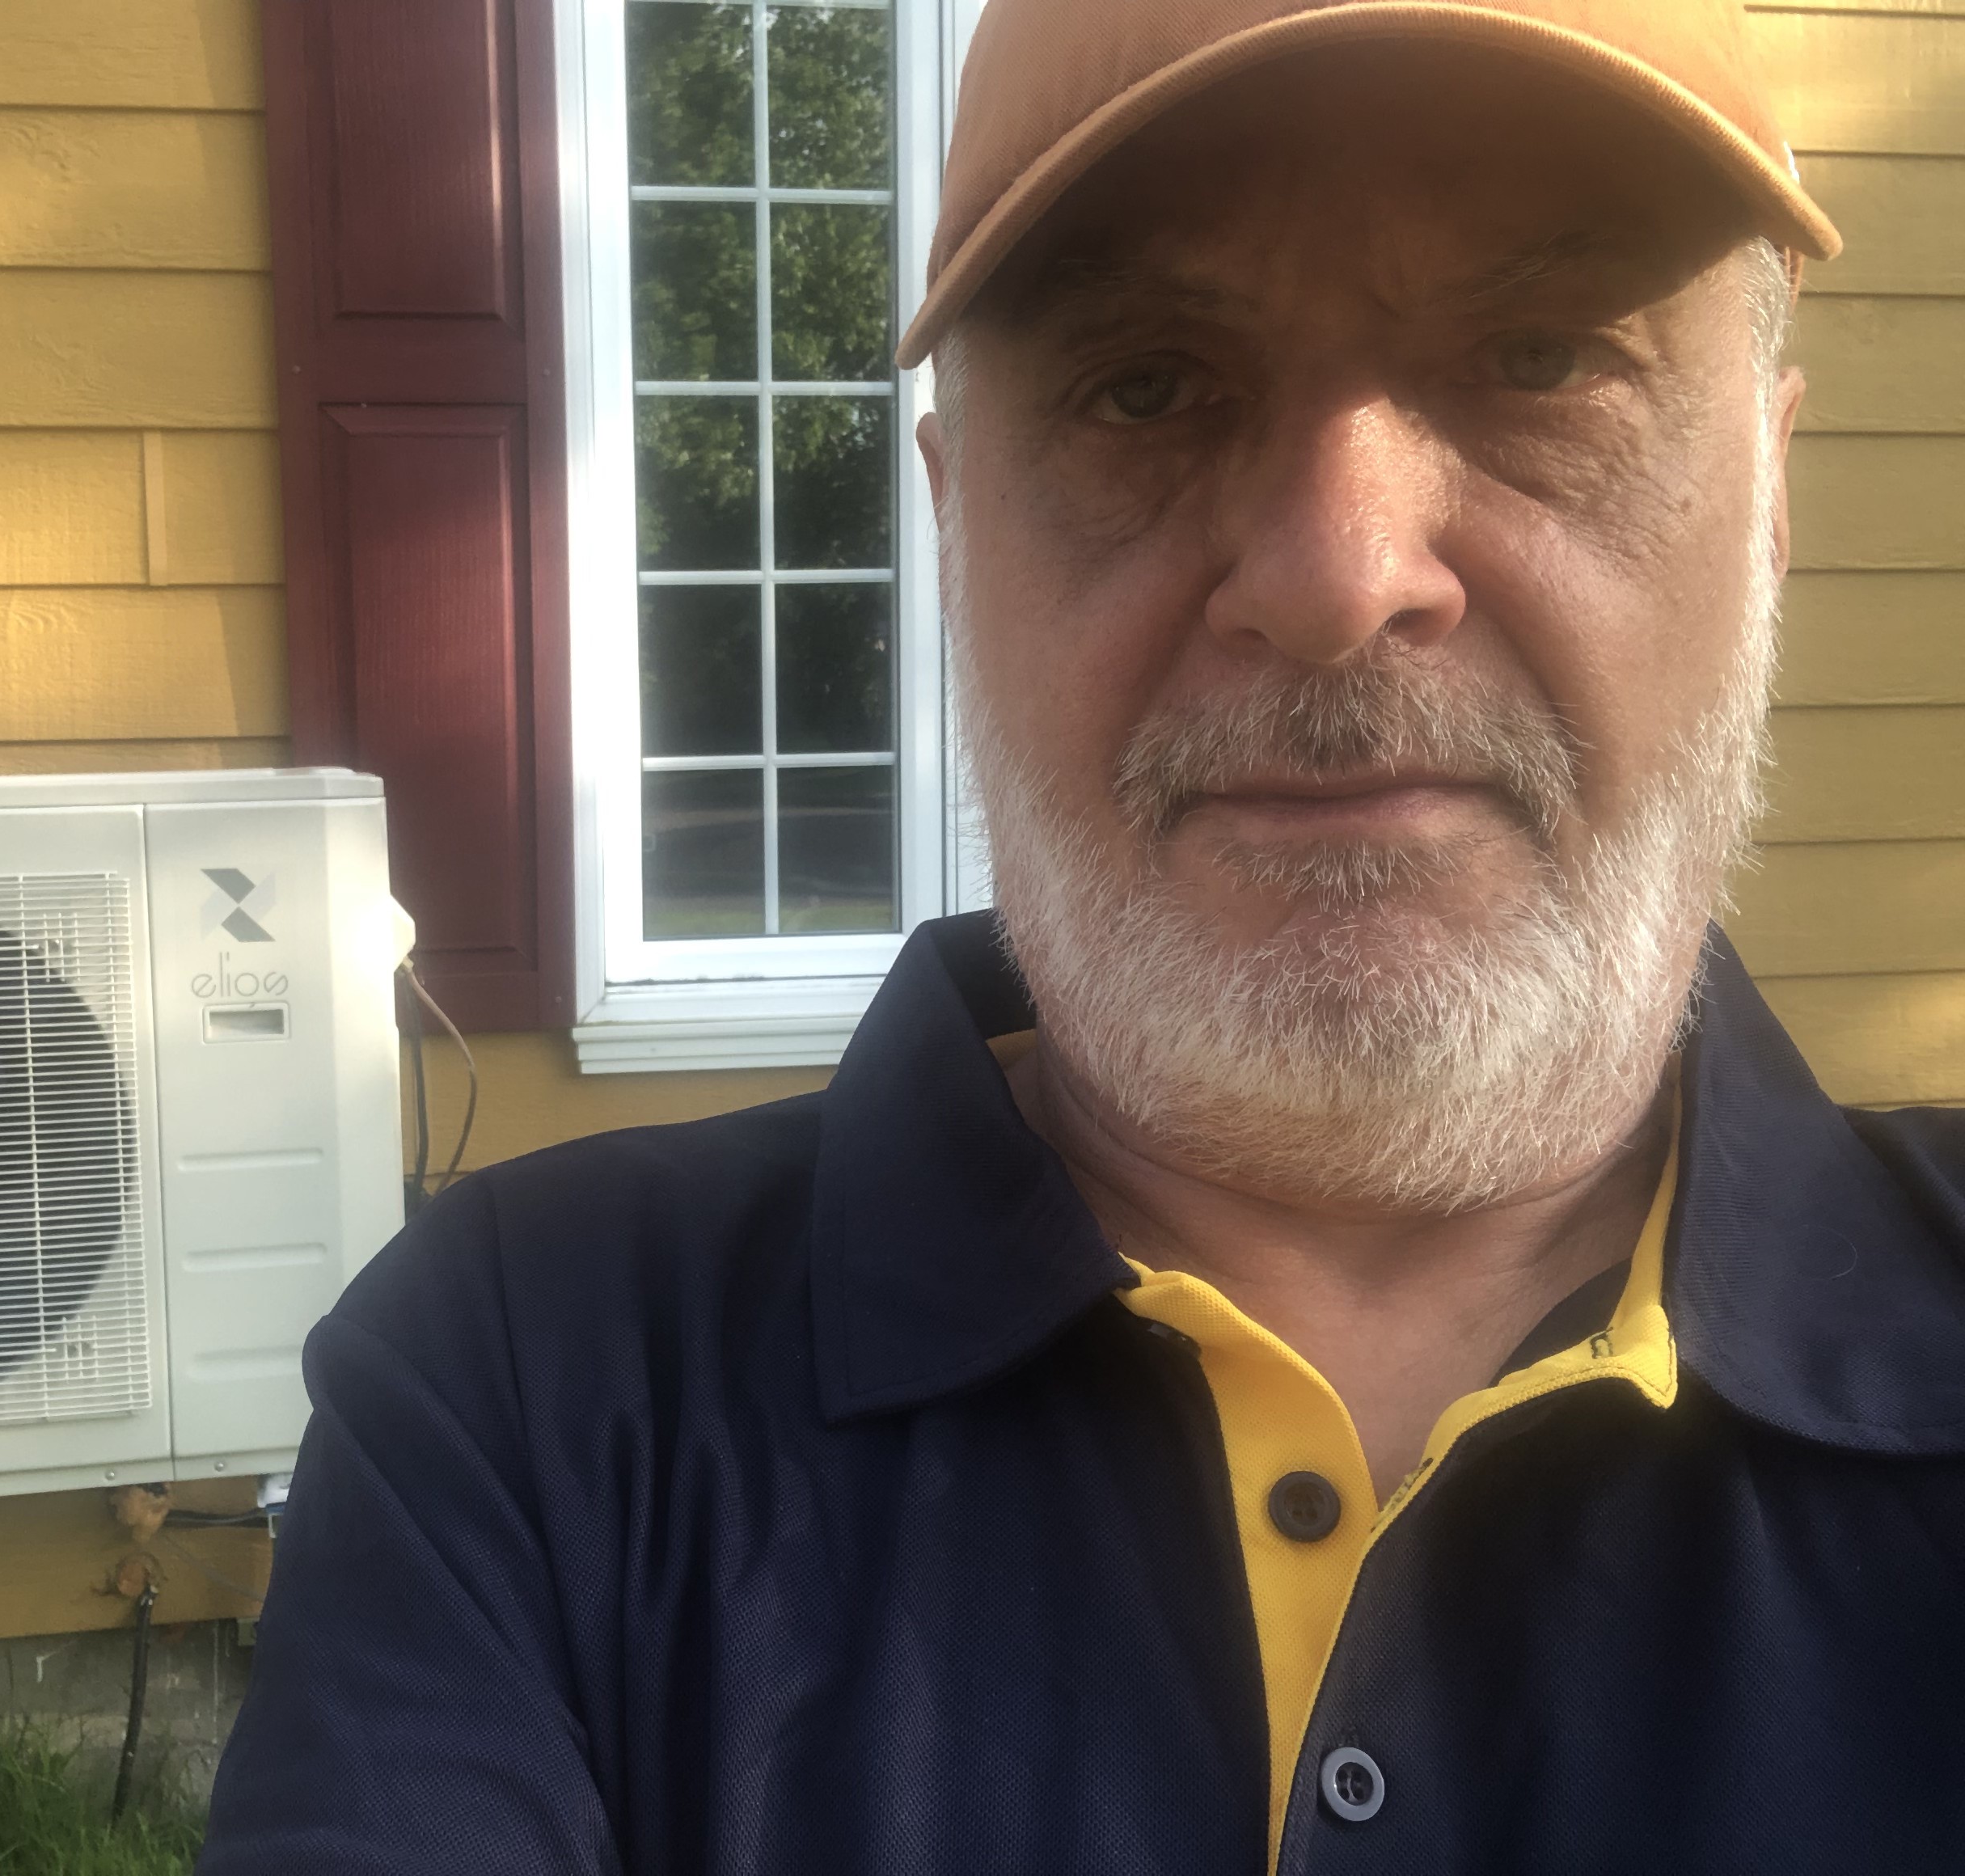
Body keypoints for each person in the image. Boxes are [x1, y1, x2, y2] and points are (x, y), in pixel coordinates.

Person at [201, 2, 1965, 1869]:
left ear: (1766, 490)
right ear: (957, 523)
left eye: (1536, 356)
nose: (1330, 575)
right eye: (1141, 384)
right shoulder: (527, 1388)